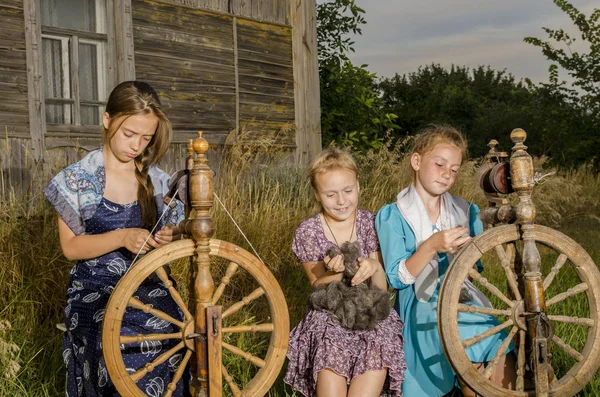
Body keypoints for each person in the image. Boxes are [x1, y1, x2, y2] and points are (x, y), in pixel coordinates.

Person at [43, 81, 188, 397]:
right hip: (96, 288)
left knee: (178, 328)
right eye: (129, 133)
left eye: (146, 137)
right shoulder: (76, 180)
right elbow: (71, 247)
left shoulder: (157, 180)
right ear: (107, 120)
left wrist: (170, 236)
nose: (137, 145)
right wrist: (122, 236)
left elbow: (178, 234)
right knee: (111, 331)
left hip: (150, 286)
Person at [375, 126, 516, 396]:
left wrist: (466, 253)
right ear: (416, 161)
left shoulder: (465, 211)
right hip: (420, 300)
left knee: (492, 335)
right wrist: (431, 246)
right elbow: (396, 279)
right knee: (457, 332)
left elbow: (474, 271)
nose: (446, 174)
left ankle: (507, 388)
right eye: (439, 164)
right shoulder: (393, 215)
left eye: (454, 169)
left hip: (462, 296)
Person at [284, 147, 406, 397]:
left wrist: (374, 267)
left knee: (379, 335)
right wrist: (335, 273)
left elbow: (381, 290)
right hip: (329, 316)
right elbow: (316, 287)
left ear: (358, 187)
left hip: (370, 313)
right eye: (330, 194)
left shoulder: (372, 223)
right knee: (326, 335)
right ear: (317, 194)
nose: (341, 201)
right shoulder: (308, 231)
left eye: (347, 191)